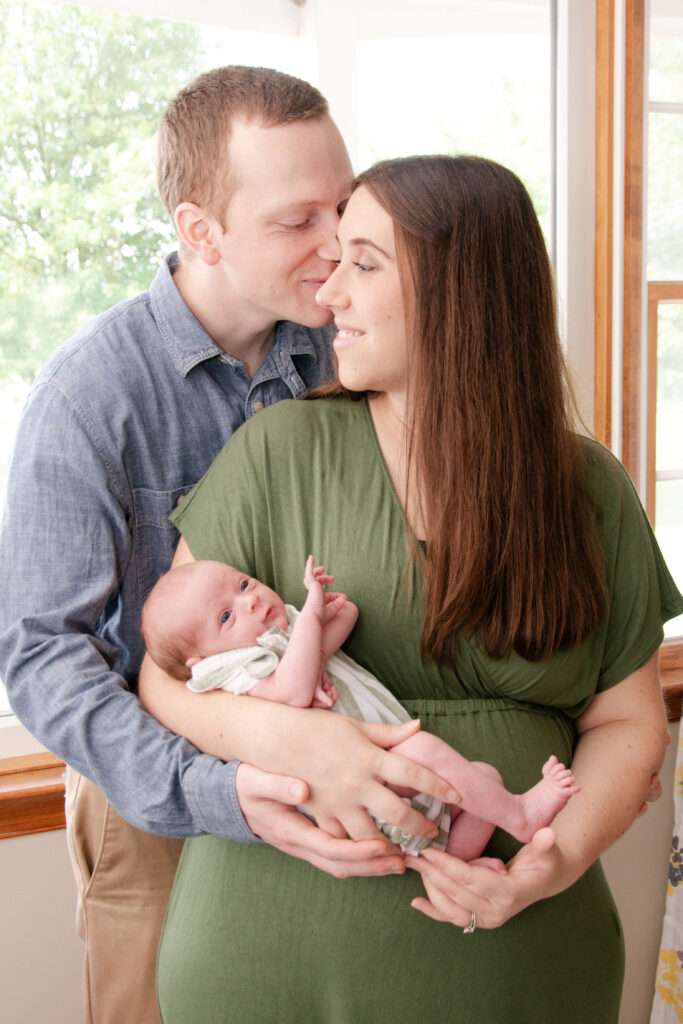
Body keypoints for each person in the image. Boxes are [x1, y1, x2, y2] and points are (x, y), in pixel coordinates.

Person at [138, 154, 683, 1023]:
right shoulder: (276, 453)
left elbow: (626, 721)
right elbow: (162, 676)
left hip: (521, 966)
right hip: (266, 960)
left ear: (461, 292)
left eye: (363, 263)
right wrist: (295, 742)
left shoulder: (586, 489)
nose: (329, 296)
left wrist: (554, 858)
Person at [0, 68, 455, 1024]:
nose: (337, 244)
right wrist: (223, 788)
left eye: (344, 204)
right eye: (298, 221)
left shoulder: (352, 351)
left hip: (349, 779)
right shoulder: (89, 399)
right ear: (199, 232)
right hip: (158, 807)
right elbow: (43, 657)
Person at [142, 555, 580, 860]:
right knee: (424, 751)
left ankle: (453, 864)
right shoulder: (237, 666)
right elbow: (292, 693)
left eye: (242, 584)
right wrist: (312, 620)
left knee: (486, 778)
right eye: (225, 617)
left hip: (387, 772)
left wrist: (313, 649)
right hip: (363, 783)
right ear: (202, 662)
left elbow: (347, 613)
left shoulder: (281, 632)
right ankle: (520, 816)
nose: (250, 600)